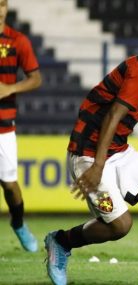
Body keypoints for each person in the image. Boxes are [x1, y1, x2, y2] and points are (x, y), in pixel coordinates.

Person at [44, 6, 138, 285]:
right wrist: (98, 166)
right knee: (119, 226)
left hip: (118, 150)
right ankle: (61, 241)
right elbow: (114, 115)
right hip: (88, 155)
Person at [0, 0, 42, 252]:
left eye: (2, 4)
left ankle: (18, 223)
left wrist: (10, 88)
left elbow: (36, 78)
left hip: (3, 125)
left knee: (9, 183)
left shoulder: (17, 41)